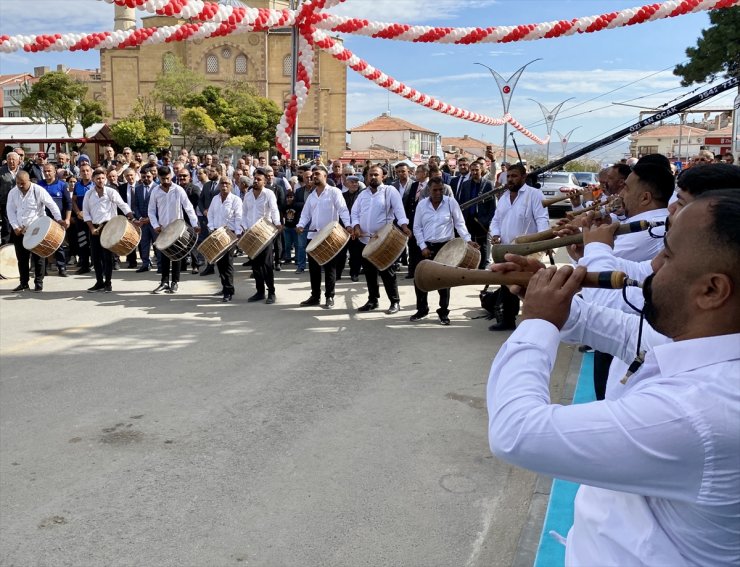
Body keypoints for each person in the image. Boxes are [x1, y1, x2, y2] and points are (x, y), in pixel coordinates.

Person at [487, 190, 740, 566]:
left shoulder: (696, 412)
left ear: (712, 289)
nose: (653, 264)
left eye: (667, 255)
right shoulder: (714, 341)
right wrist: (553, 298)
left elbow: (517, 432)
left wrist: (537, 322)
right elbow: (627, 333)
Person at [488, 163, 548, 330]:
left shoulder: (534, 194)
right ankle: (508, 320)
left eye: (514, 176)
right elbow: (496, 220)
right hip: (505, 249)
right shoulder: (504, 197)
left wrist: (543, 242)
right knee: (507, 284)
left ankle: (534, 321)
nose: (511, 180)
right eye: (509, 176)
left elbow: (542, 219)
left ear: (524, 177)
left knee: (528, 285)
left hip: (528, 250)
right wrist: (495, 234)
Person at [411, 177, 476, 325]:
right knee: (420, 279)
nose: (439, 192)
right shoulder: (422, 205)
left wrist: (468, 240)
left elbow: (460, 223)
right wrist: (423, 247)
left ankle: (443, 312)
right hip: (425, 247)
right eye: (435, 190)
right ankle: (422, 309)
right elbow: (417, 228)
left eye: (441, 189)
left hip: (446, 247)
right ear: (429, 190)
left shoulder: (450, 202)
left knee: (444, 281)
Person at [352, 165, 410, 314]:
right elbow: (355, 213)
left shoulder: (390, 191)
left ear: (382, 176)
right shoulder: (363, 194)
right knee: (370, 273)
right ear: (366, 177)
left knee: (387, 272)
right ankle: (373, 301)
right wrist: (356, 227)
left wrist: (404, 227)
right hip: (366, 241)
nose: (372, 177)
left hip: (384, 240)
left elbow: (399, 211)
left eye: (376, 175)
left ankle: (395, 302)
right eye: (370, 175)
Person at [296, 167, 351, 308]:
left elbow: (343, 210)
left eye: (317, 174)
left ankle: (329, 297)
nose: (314, 176)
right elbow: (305, 214)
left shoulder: (334, 192)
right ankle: (315, 296)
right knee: (313, 269)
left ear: (325, 176)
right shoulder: (312, 195)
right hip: (313, 236)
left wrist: (349, 225)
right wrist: (301, 225)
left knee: (329, 268)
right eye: (313, 174)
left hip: (330, 236)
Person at [6, 171, 64, 292]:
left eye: (22, 183)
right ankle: (24, 283)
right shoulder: (13, 192)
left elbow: (51, 205)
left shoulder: (38, 190)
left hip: (37, 229)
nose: (20, 186)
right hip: (20, 230)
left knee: (38, 257)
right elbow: (10, 211)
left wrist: (58, 219)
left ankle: (38, 283)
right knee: (22, 258)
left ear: (29, 181)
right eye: (18, 183)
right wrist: (15, 227)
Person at [148, 165, 200, 294]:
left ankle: (175, 282)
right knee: (164, 256)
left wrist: (195, 224)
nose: (165, 181)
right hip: (163, 229)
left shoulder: (178, 190)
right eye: (162, 179)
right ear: (158, 177)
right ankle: (164, 282)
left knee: (176, 256)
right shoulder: (155, 191)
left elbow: (188, 207)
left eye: (167, 178)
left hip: (178, 228)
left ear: (171, 176)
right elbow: (151, 211)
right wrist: (155, 225)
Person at [83, 169, 135, 293]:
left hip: (110, 227)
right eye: (97, 178)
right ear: (93, 180)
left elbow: (122, 205)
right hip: (95, 228)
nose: (100, 181)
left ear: (105, 178)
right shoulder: (89, 194)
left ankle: (108, 283)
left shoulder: (111, 192)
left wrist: (131, 216)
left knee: (107, 257)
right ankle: (99, 282)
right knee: (96, 257)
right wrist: (91, 228)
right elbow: (86, 213)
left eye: (102, 178)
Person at [242, 169, 281, 304]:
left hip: (265, 233)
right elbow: (244, 213)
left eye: (259, 179)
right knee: (256, 265)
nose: (256, 181)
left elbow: (274, 210)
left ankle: (271, 291)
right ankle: (260, 292)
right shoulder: (248, 195)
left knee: (267, 264)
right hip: (251, 233)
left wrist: (277, 223)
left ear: (264, 181)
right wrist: (245, 227)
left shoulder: (269, 194)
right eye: (255, 179)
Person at [207, 177, 242, 302]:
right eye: (222, 183)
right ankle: (224, 287)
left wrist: (238, 233)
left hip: (229, 233)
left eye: (227, 183)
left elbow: (239, 217)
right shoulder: (215, 199)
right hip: (216, 232)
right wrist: (210, 227)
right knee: (220, 263)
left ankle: (228, 290)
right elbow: (210, 214)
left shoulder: (236, 200)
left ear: (231, 186)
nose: (224, 185)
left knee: (228, 263)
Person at [459, 161, 496, 269]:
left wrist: (488, 220)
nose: (475, 172)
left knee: (482, 244)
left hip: (481, 220)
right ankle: (470, 264)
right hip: (468, 219)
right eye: (473, 170)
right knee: (469, 243)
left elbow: (492, 206)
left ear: (481, 170)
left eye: (477, 170)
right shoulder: (465, 184)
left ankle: (482, 266)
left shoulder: (488, 184)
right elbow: (462, 202)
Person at [38, 163, 72, 276]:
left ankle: (61, 267)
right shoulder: (39, 185)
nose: (47, 173)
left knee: (59, 243)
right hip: (43, 220)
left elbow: (68, 203)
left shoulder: (62, 185)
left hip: (58, 220)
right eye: (45, 171)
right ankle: (44, 268)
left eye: (49, 171)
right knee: (42, 244)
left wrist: (67, 219)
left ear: (54, 172)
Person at [334, 174, 363, 282]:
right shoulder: (341, 196)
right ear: (346, 183)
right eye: (352, 182)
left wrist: (357, 227)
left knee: (355, 253)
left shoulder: (361, 196)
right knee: (341, 253)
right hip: (343, 229)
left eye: (356, 182)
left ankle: (354, 273)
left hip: (356, 229)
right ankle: (338, 273)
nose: (355, 184)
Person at [133, 167, 160, 273]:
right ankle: (145, 264)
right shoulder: (137, 188)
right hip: (142, 222)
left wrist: (151, 218)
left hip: (154, 222)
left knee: (157, 244)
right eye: (143, 177)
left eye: (148, 176)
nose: (146, 179)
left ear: (153, 176)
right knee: (144, 244)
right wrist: (140, 218)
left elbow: (159, 206)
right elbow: (135, 205)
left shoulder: (158, 188)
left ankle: (160, 265)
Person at [1, 151, 22, 245]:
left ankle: (17, 247)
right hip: (5, 202)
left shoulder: (23, 171)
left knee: (18, 226)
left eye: (14, 159)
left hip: (21, 204)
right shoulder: (1, 171)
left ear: (18, 161)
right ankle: (5, 248)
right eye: (9, 159)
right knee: (7, 226)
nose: (11, 161)